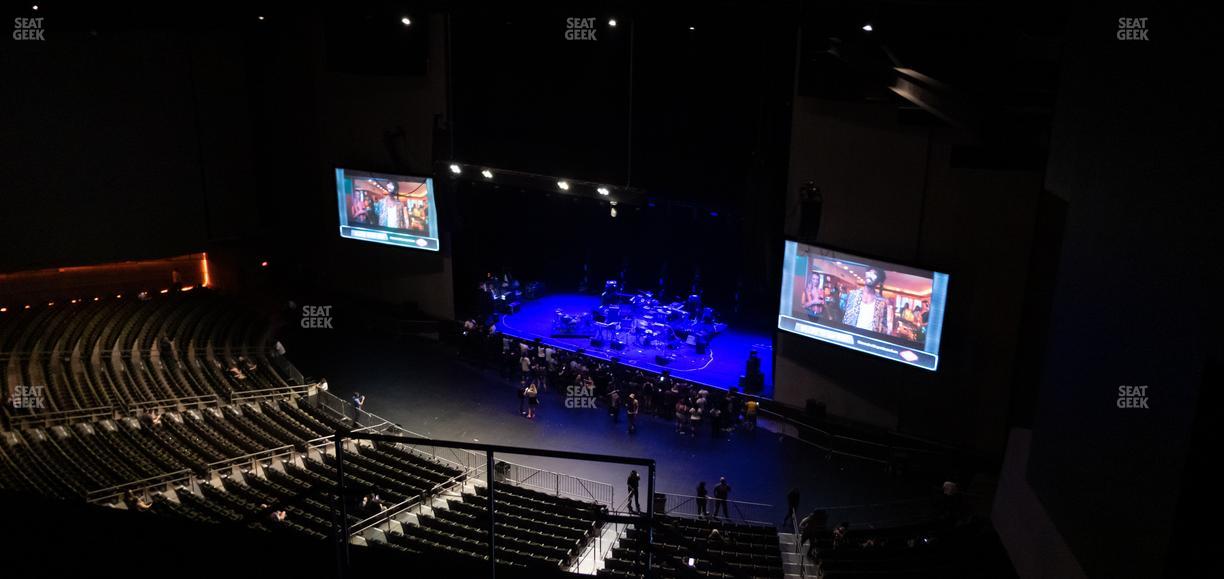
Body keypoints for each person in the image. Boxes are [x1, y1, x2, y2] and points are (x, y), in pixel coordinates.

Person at [841, 267, 894, 335]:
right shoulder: (853, 294)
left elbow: (884, 326)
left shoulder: (882, 302)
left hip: (869, 339)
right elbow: (843, 313)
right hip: (849, 335)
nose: (870, 275)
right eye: (869, 272)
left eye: (875, 274)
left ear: (879, 281)